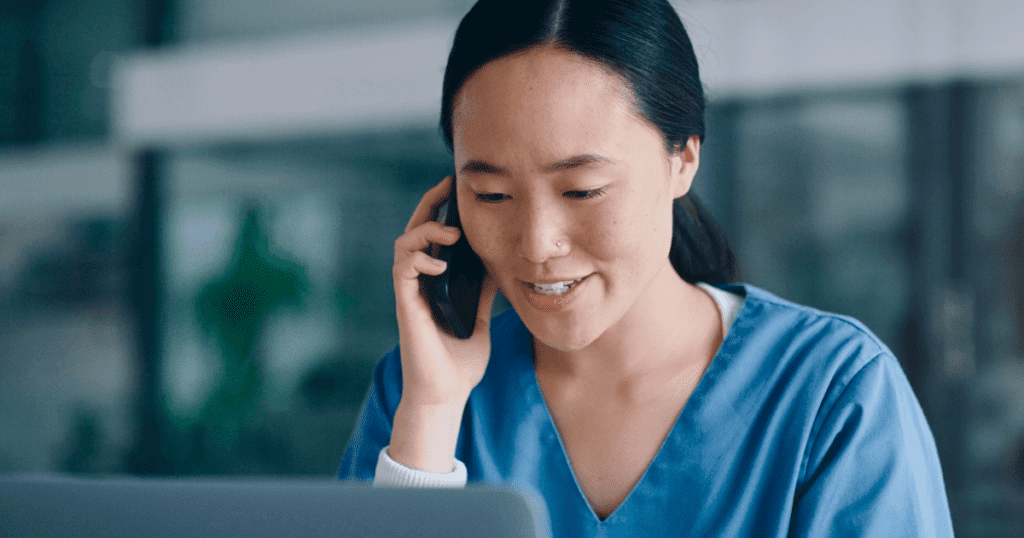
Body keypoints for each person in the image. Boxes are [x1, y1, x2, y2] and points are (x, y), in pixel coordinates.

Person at [338, 0, 955, 536]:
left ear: (682, 161)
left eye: (582, 190)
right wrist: (432, 418)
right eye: (492, 196)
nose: (537, 244)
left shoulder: (832, 391)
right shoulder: (420, 390)